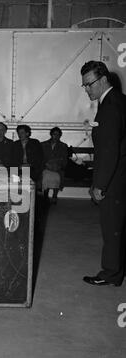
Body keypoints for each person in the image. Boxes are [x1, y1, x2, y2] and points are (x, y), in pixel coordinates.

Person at [80, 60, 126, 287]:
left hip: (114, 179)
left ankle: (111, 274)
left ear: (104, 79)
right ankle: (117, 271)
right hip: (121, 175)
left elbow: (109, 151)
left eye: (90, 84)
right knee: (119, 228)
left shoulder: (109, 106)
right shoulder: (120, 101)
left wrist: (100, 185)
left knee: (112, 229)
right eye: (84, 86)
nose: (87, 90)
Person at [41, 127, 68, 204]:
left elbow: (64, 159)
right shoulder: (43, 144)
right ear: (51, 134)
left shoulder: (63, 146)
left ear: (60, 136)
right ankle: (45, 195)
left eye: (58, 135)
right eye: (54, 134)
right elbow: (40, 157)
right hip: (45, 167)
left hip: (57, 167)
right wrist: (45, 164)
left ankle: (54, 195)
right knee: (45, 175)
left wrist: (59, 166)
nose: (56, 136)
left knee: (57, 176)